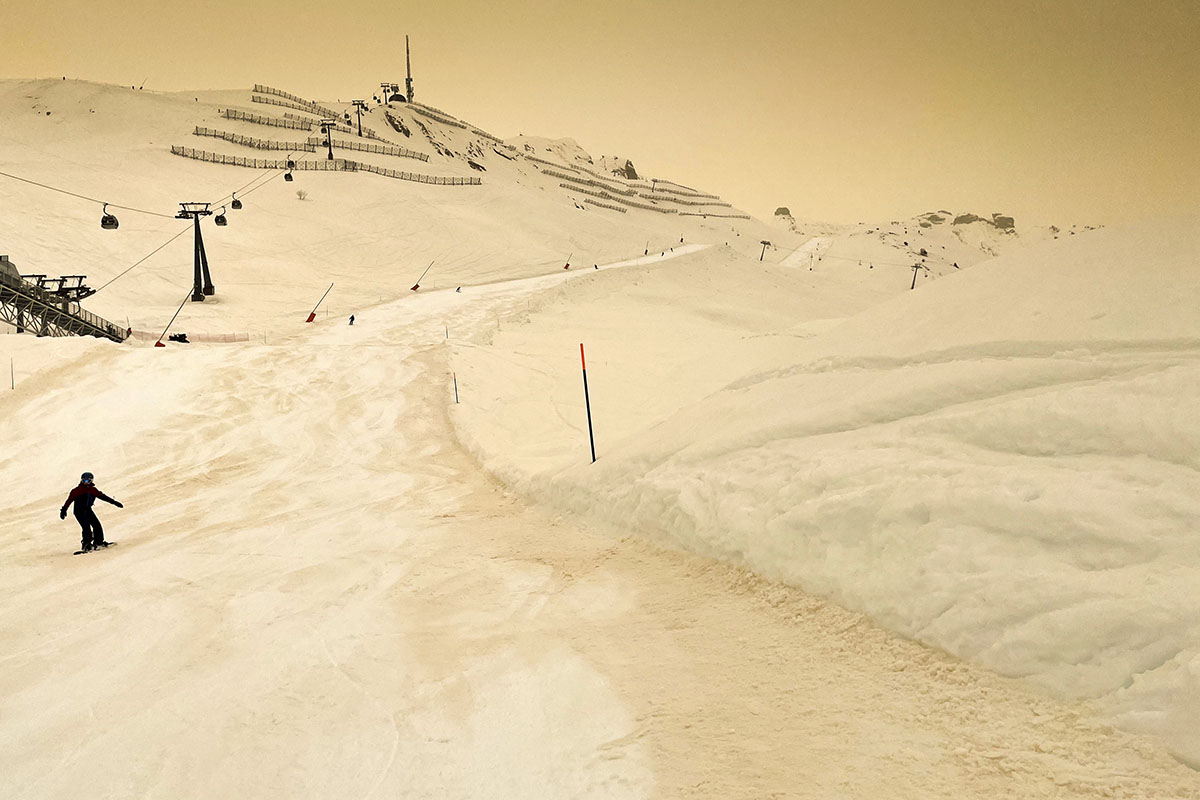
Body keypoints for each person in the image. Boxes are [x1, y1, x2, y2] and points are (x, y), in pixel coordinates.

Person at [60, 472, 123, 552]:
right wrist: (64, 510)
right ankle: (86, 545)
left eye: (88, 480)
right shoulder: (77, 490)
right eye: (84, 480)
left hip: (88, 510)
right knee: (86, 527)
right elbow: (69, 500)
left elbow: (103, 497)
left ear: (91, 481)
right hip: (79, 511)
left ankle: (98, 542)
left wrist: (114, 502)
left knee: (97, 525)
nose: (86, 482)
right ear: (81, 480)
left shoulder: (93, 490)